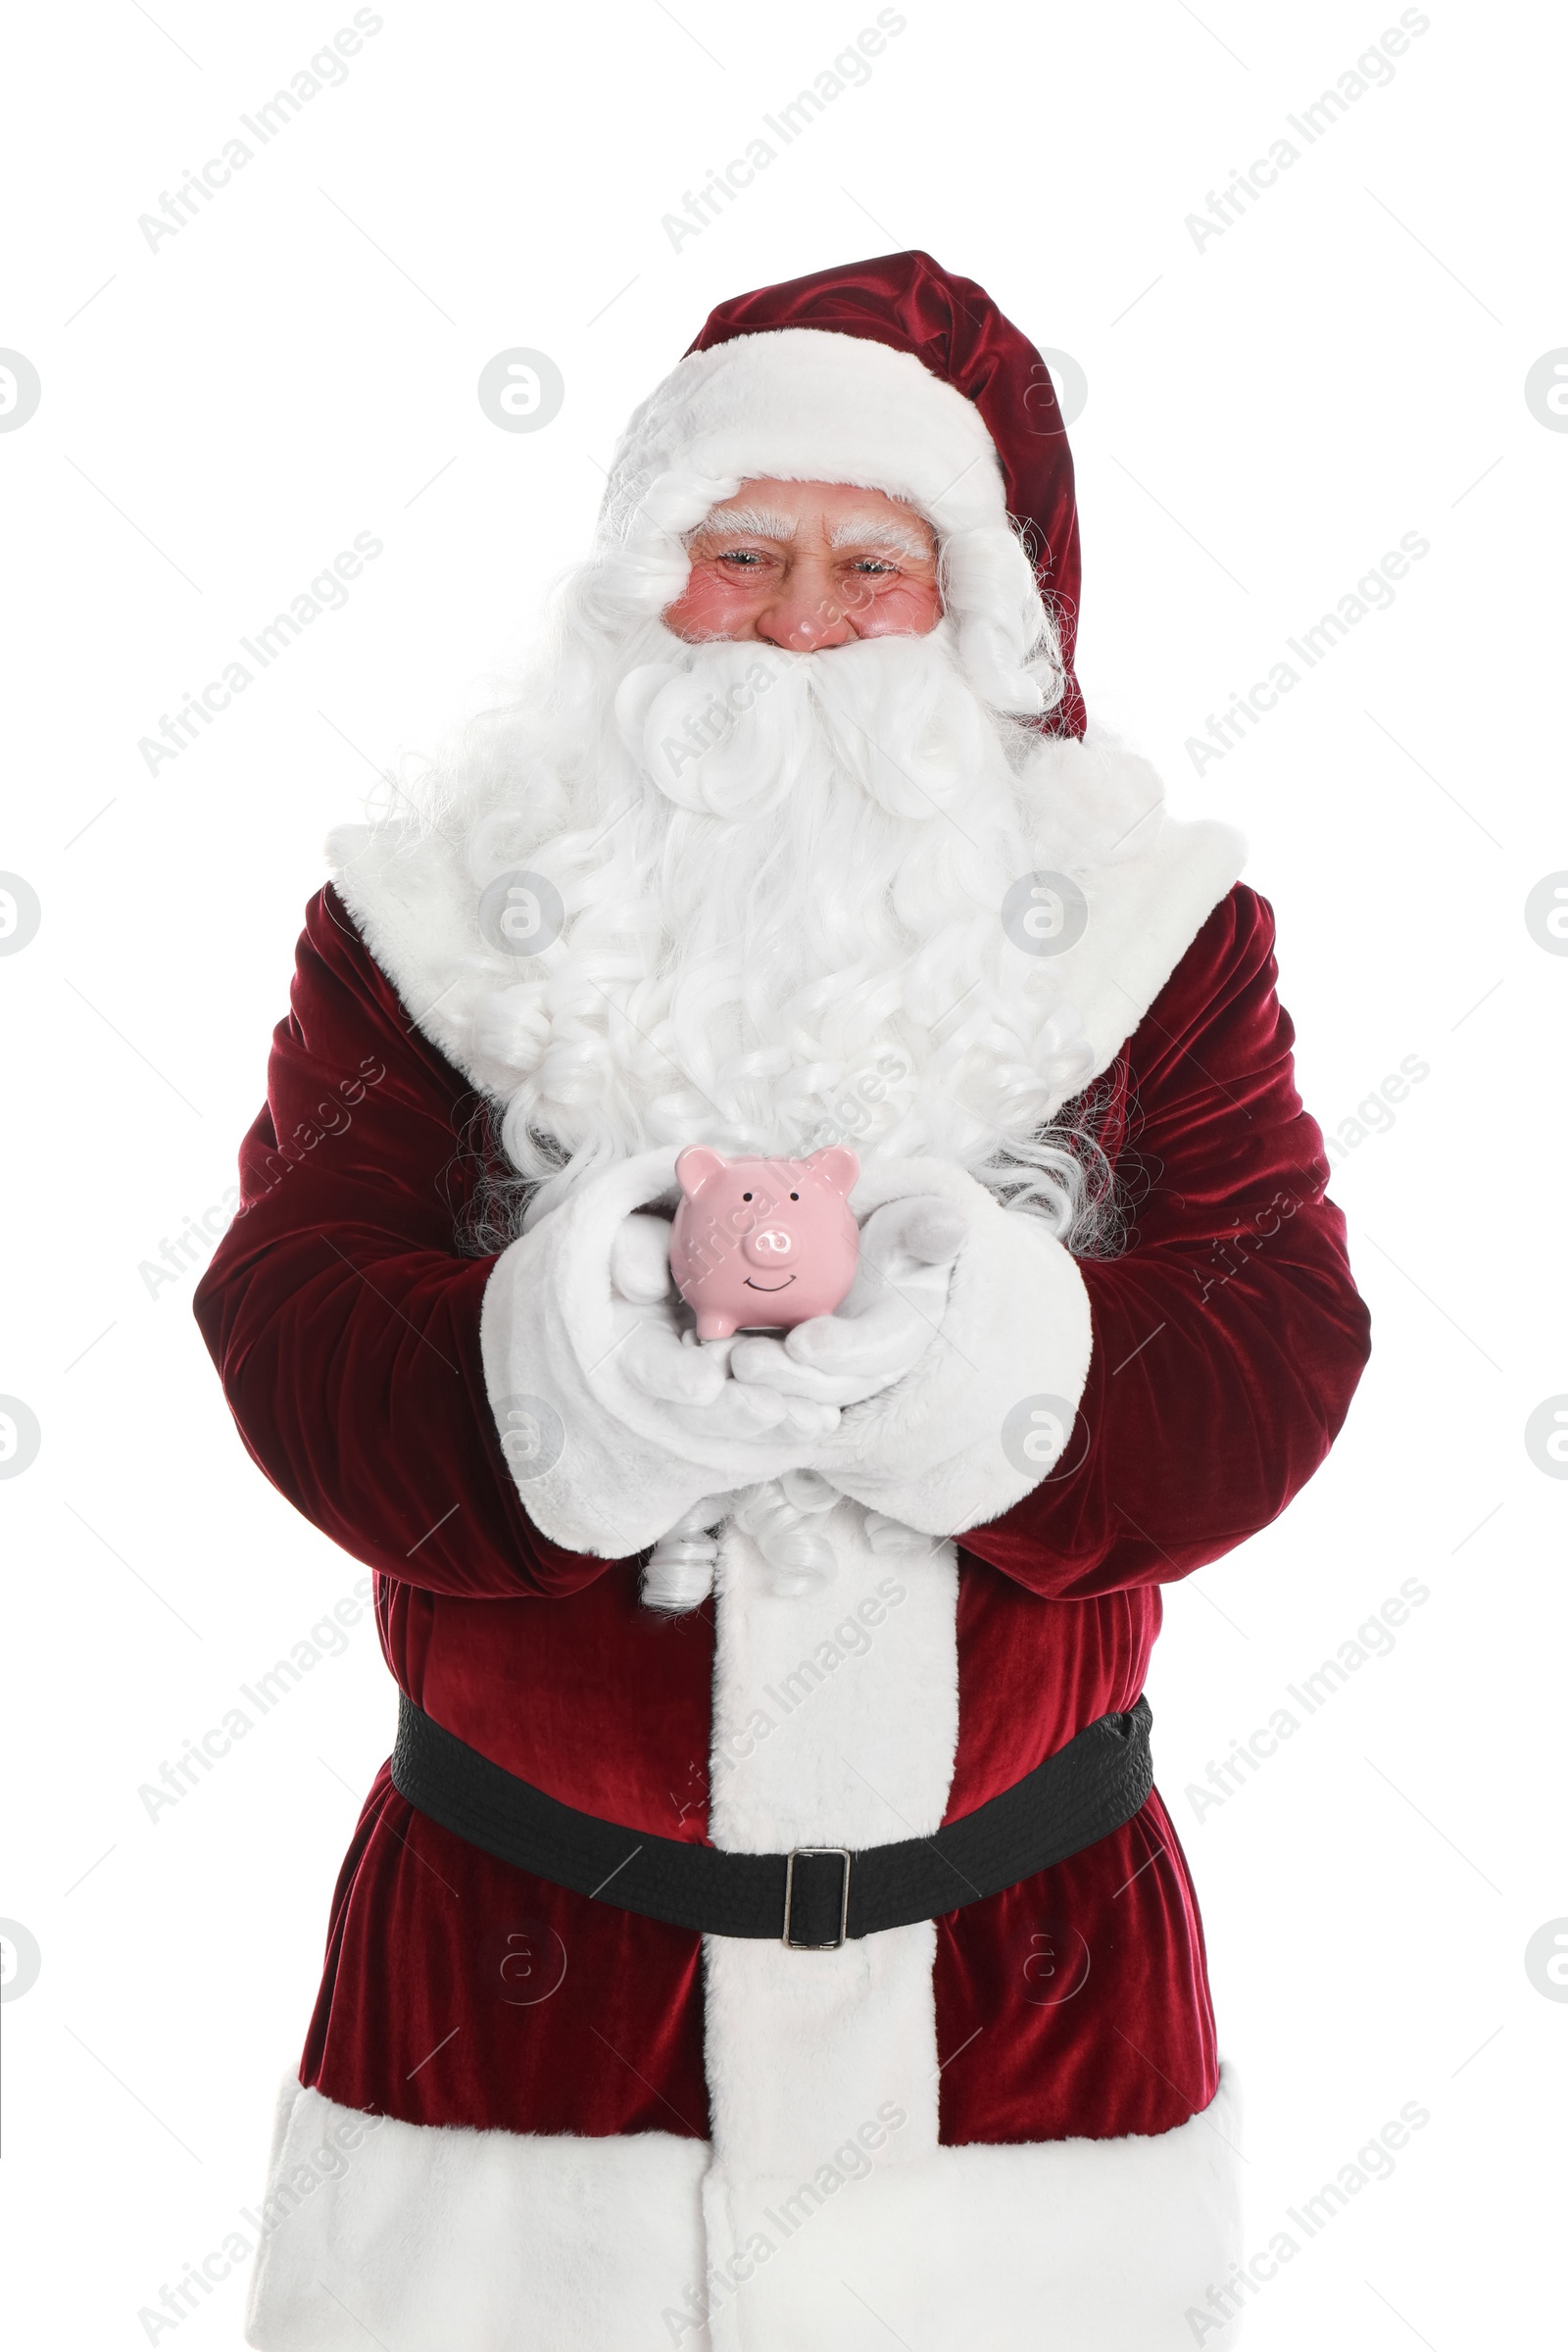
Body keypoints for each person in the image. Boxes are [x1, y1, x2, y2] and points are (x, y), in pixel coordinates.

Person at [195, 250, 1371, 2352]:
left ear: (979, 618)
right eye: (739, 553)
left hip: (1022, 2022)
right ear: (646, 584)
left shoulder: (1147, 934)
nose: (801, 620)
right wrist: (585, 1363)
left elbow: (1270, 1351)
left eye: (870, 565)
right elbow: (291, 1319)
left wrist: (953, 1348)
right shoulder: (422, 924)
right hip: (510, 2018)